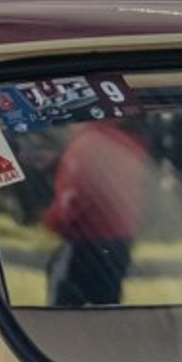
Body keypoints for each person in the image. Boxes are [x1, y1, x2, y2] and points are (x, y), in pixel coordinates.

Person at [39, 116, 149, 306]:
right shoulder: (124, 143)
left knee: (64, 311)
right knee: (105, 307)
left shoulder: (86, 146)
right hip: (119, 243)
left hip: (86, 243)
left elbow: (73, 199)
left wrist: (52, 221)